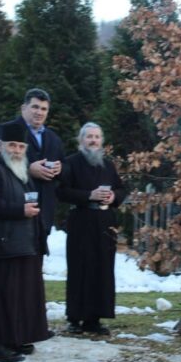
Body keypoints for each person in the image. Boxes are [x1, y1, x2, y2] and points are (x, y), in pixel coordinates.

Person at [0, 122, 50, 362]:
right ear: (1, 145)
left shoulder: (21, 168)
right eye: (12, 145)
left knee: (19, 294)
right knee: (0, 296)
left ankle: (16, 337)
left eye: (20, 146)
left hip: (21, 241)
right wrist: (20, 210)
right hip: (0, 244)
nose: (16, 150)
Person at [58, 122, 126, 335]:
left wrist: (114, 196)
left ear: (102, 141)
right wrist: (89, 195)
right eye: (89, 137)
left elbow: (122, 189)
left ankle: (95, 318)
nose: (93, 140)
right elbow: (62, 191)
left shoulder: (108, 165)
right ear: (81, 141)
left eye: (97, 137)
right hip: (81, 220)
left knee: (102, 269)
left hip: (105, 222)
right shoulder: (70, 163)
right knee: (80, 269)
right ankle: (75, 318)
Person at [0, 88, 64, 246]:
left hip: (43, 213)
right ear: (24, 108)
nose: (39, 112)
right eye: (35, 107)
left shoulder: (53, 138)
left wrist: (60, 169)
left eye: (44, 109)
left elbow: (65, 168)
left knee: (36, 267)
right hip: (15, 211)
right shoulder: (6, 130)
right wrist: (29, 169)